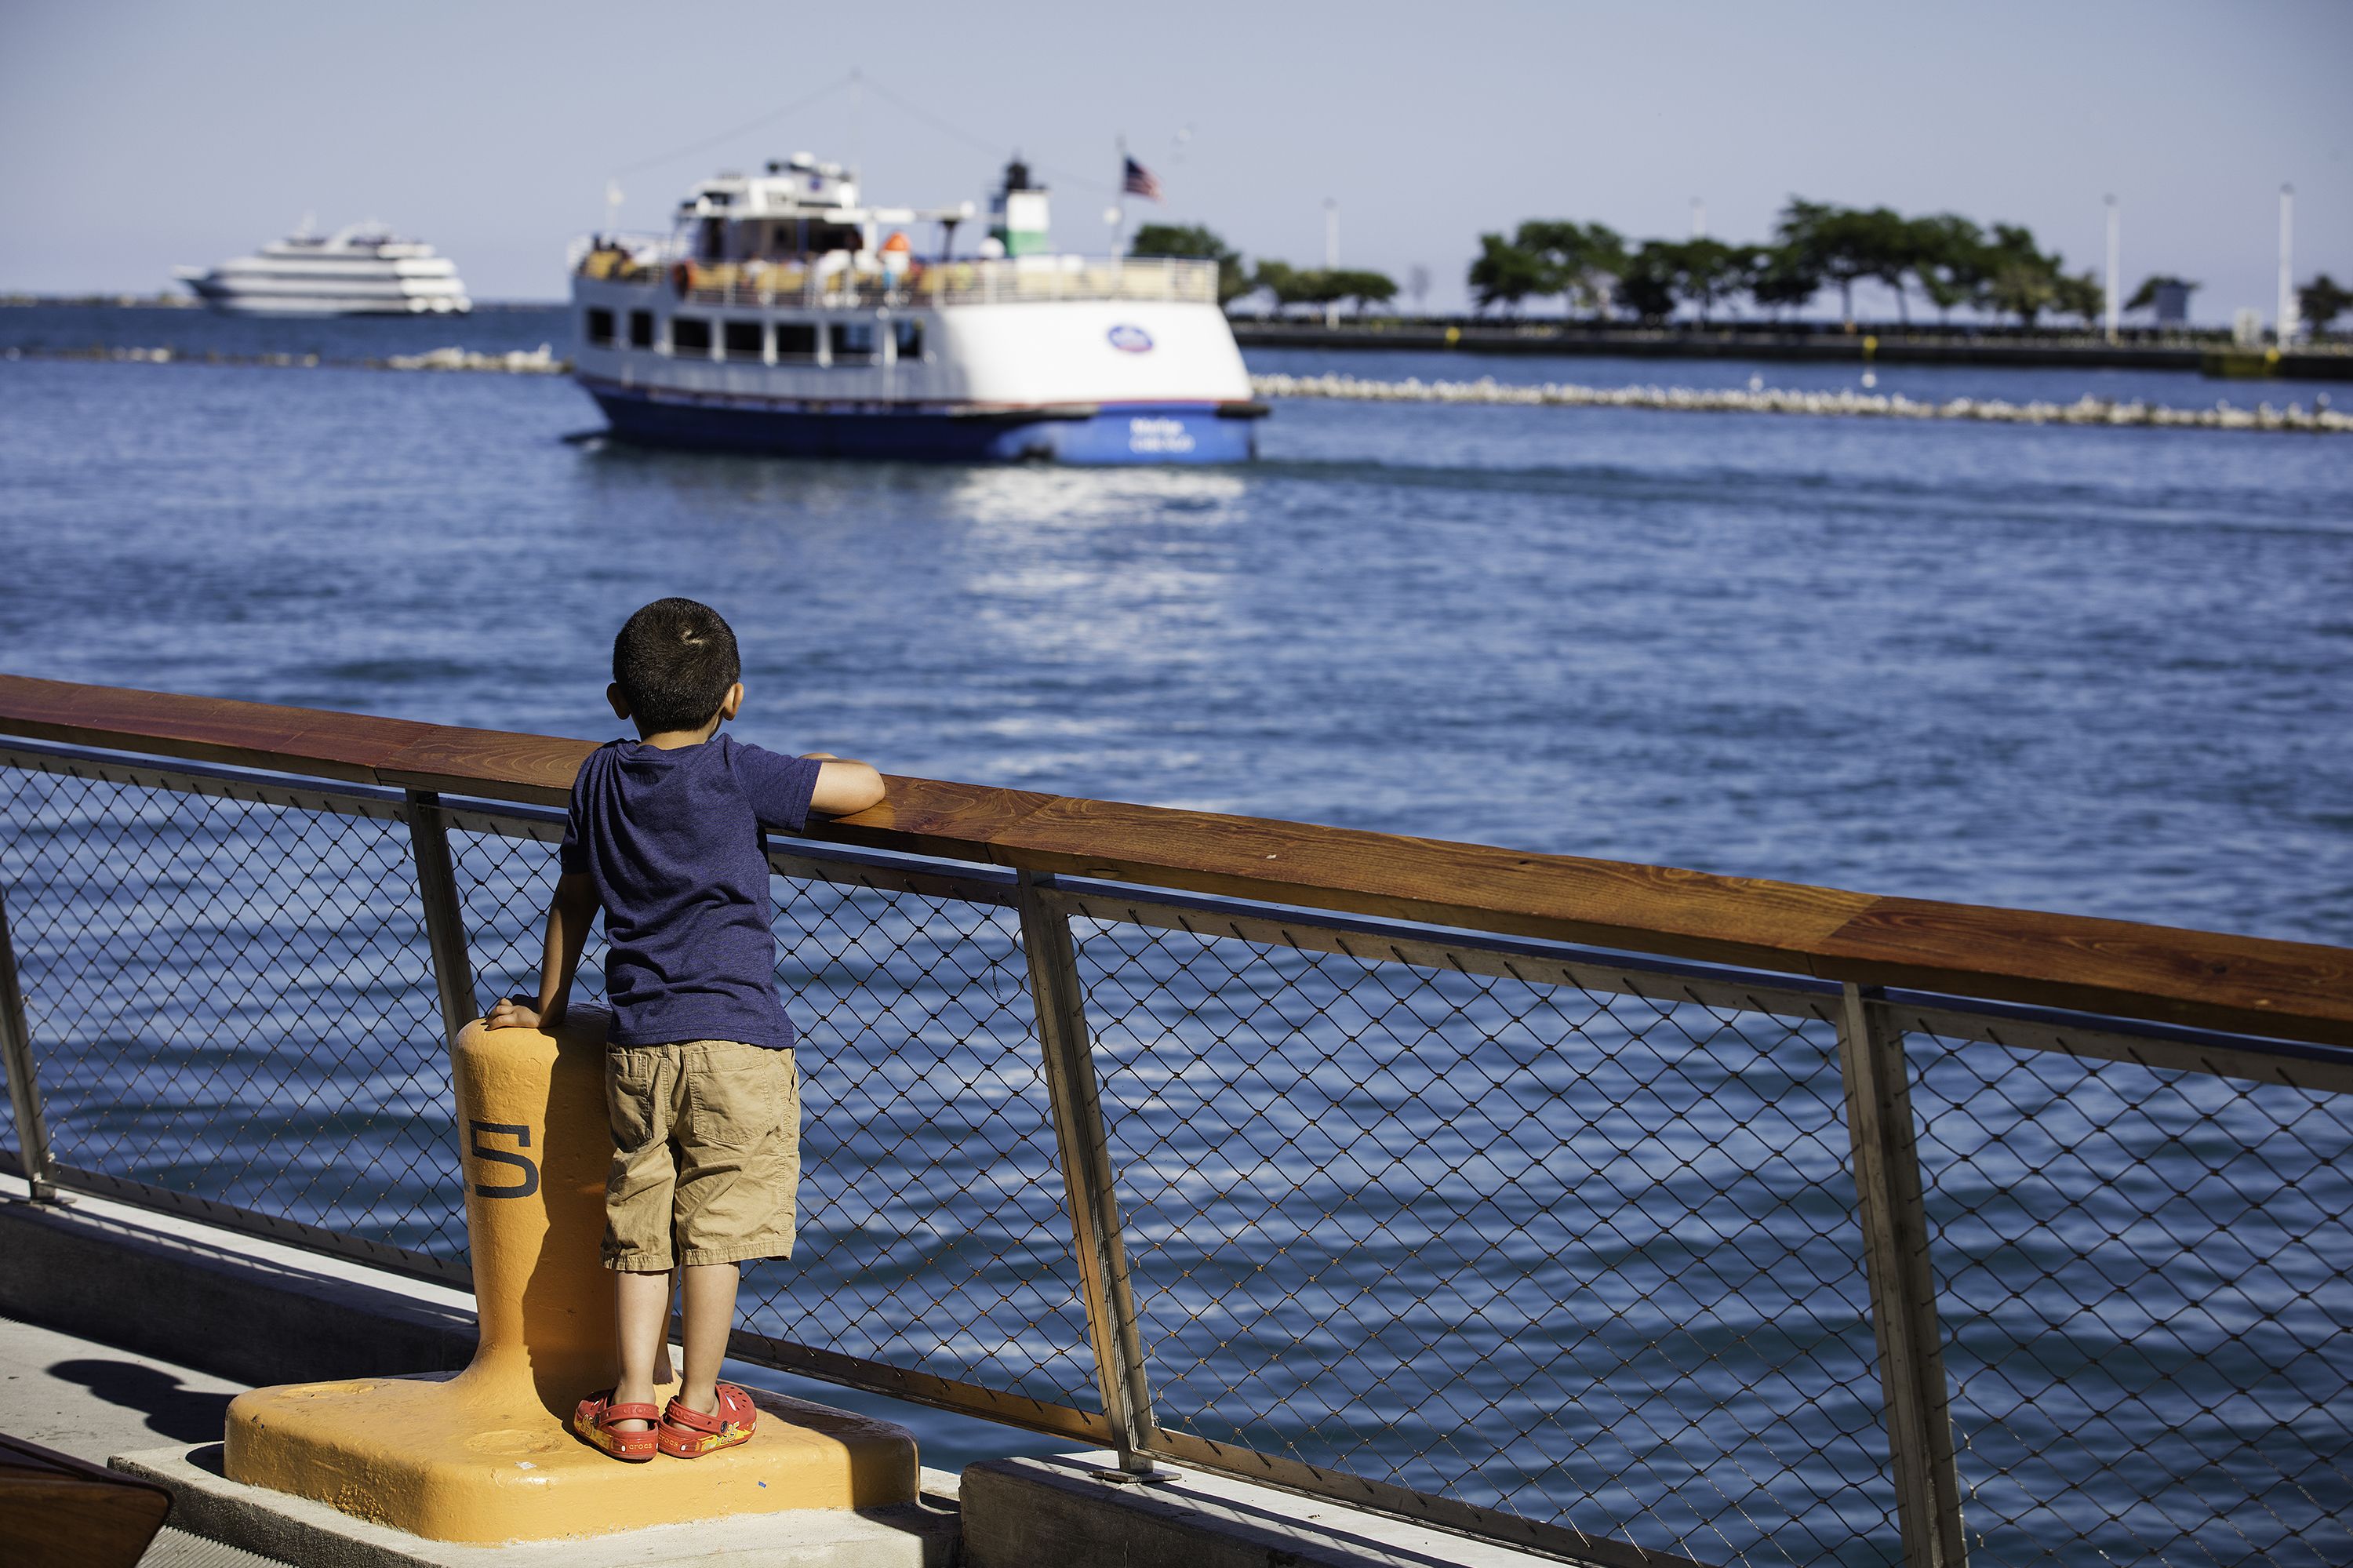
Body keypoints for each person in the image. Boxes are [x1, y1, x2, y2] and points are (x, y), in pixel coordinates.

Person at [486, 598, 886, 1462]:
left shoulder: (598, 776)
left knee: (642, 1217)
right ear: (733, 698)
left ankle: (631, 1402)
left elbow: (574, 897)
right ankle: (699, 1407)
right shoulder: (741, 772)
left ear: (617, 700)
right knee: (718, 1228)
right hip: (740, 1040)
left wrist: (547, 1008)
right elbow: (866, 786)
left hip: (641, 1041)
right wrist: (794, 764)